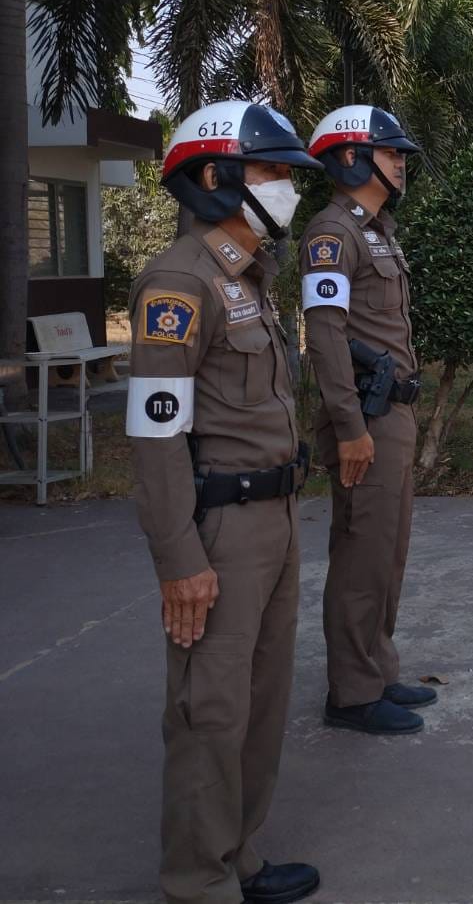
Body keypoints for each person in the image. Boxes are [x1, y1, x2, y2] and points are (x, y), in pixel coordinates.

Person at [126, 100, 322, 904]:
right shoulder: (179, 283)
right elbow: (155, 436)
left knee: (261, 700)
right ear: (216, 178)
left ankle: (237, 854)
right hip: (221, 529)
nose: (287, 188)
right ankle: (198, 880)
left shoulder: (246, 277)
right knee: (209, 709)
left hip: (275, 518)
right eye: (273, 172)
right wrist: (180, 559)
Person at [301, 105, 431, 736]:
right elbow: (326, 337)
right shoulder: (332, 234)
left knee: (387, 552)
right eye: (389, 152)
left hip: (393, 413)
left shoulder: (378, 231)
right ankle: (351, 694)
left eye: (401, 154)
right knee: (360, 556)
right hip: (365, 418)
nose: (400, 163)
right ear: (351, 158)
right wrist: (349, 427)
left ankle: (376, 669)